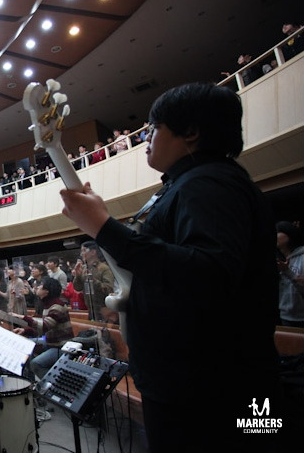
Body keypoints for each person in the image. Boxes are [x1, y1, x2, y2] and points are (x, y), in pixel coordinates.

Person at [59, 82, 282, 453]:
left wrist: (104, 227)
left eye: (153, 128)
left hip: (212, 394)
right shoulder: (193, 183)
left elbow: (208, 274)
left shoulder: (209, 183)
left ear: (191, 131)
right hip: (199, 387)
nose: (145, 137)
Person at [13, 277, 73, 381]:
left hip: (61, 346)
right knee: (26, 345)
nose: (37, 287)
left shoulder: (57, 306)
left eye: (40, 286)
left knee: (36, 363)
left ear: (46, 291)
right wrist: (25, 331)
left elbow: (45, 326)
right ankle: (30, 380)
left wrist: (23, 317)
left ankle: (53, 385)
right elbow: (44, 328)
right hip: (50, 342)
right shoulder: (48, 305)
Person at [72, 241, 116, 323]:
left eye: (84, 250)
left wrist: (93, 280)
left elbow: (109, 290)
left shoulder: (103, 268)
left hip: (104, 310)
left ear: (93, 252)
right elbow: (77, 288)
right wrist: (77, 276)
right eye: (81, 251)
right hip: (91, 310)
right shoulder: (84, 268)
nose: (81, 254)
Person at [276, 221, 304, 328]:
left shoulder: (302, 258)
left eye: (278, 232)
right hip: (284, 316)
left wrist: (288, 272)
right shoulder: (278, 258)